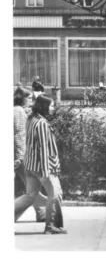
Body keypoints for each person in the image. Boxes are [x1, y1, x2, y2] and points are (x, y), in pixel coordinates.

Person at [15, 95, 66, 234]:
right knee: (55, 194)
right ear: (44, 107)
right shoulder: (42, 123)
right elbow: (43, 148)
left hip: (30, 166)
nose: (53, 108)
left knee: (30, 195)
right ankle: (51, 226)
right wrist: (45, 171)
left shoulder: (32, 119)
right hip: (43, 167)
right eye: (51, 106)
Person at [14, 87, 47, 222]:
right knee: (31, 189)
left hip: (18, 155)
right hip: (20, 156)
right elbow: (19, 135)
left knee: (31, 187)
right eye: (28, 98)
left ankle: (41, 212)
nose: (30, 101)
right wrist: (20, 156)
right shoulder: (19, 111)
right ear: (22, 98)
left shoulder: (16, 110)